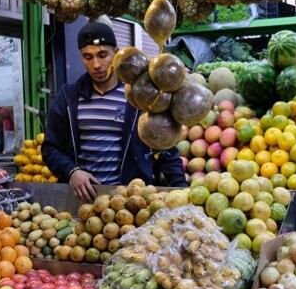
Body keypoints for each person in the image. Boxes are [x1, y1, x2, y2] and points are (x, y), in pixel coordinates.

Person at [42, 21, 187, 201]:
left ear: (116, 53)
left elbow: (165, 144)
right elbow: (50, 149)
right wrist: (72, 172)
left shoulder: (139, 96)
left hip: (131, 201)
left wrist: (181, 189)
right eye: (88, 57)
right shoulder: (68, 98)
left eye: (103, 55)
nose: (96, 64)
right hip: (83, 202)